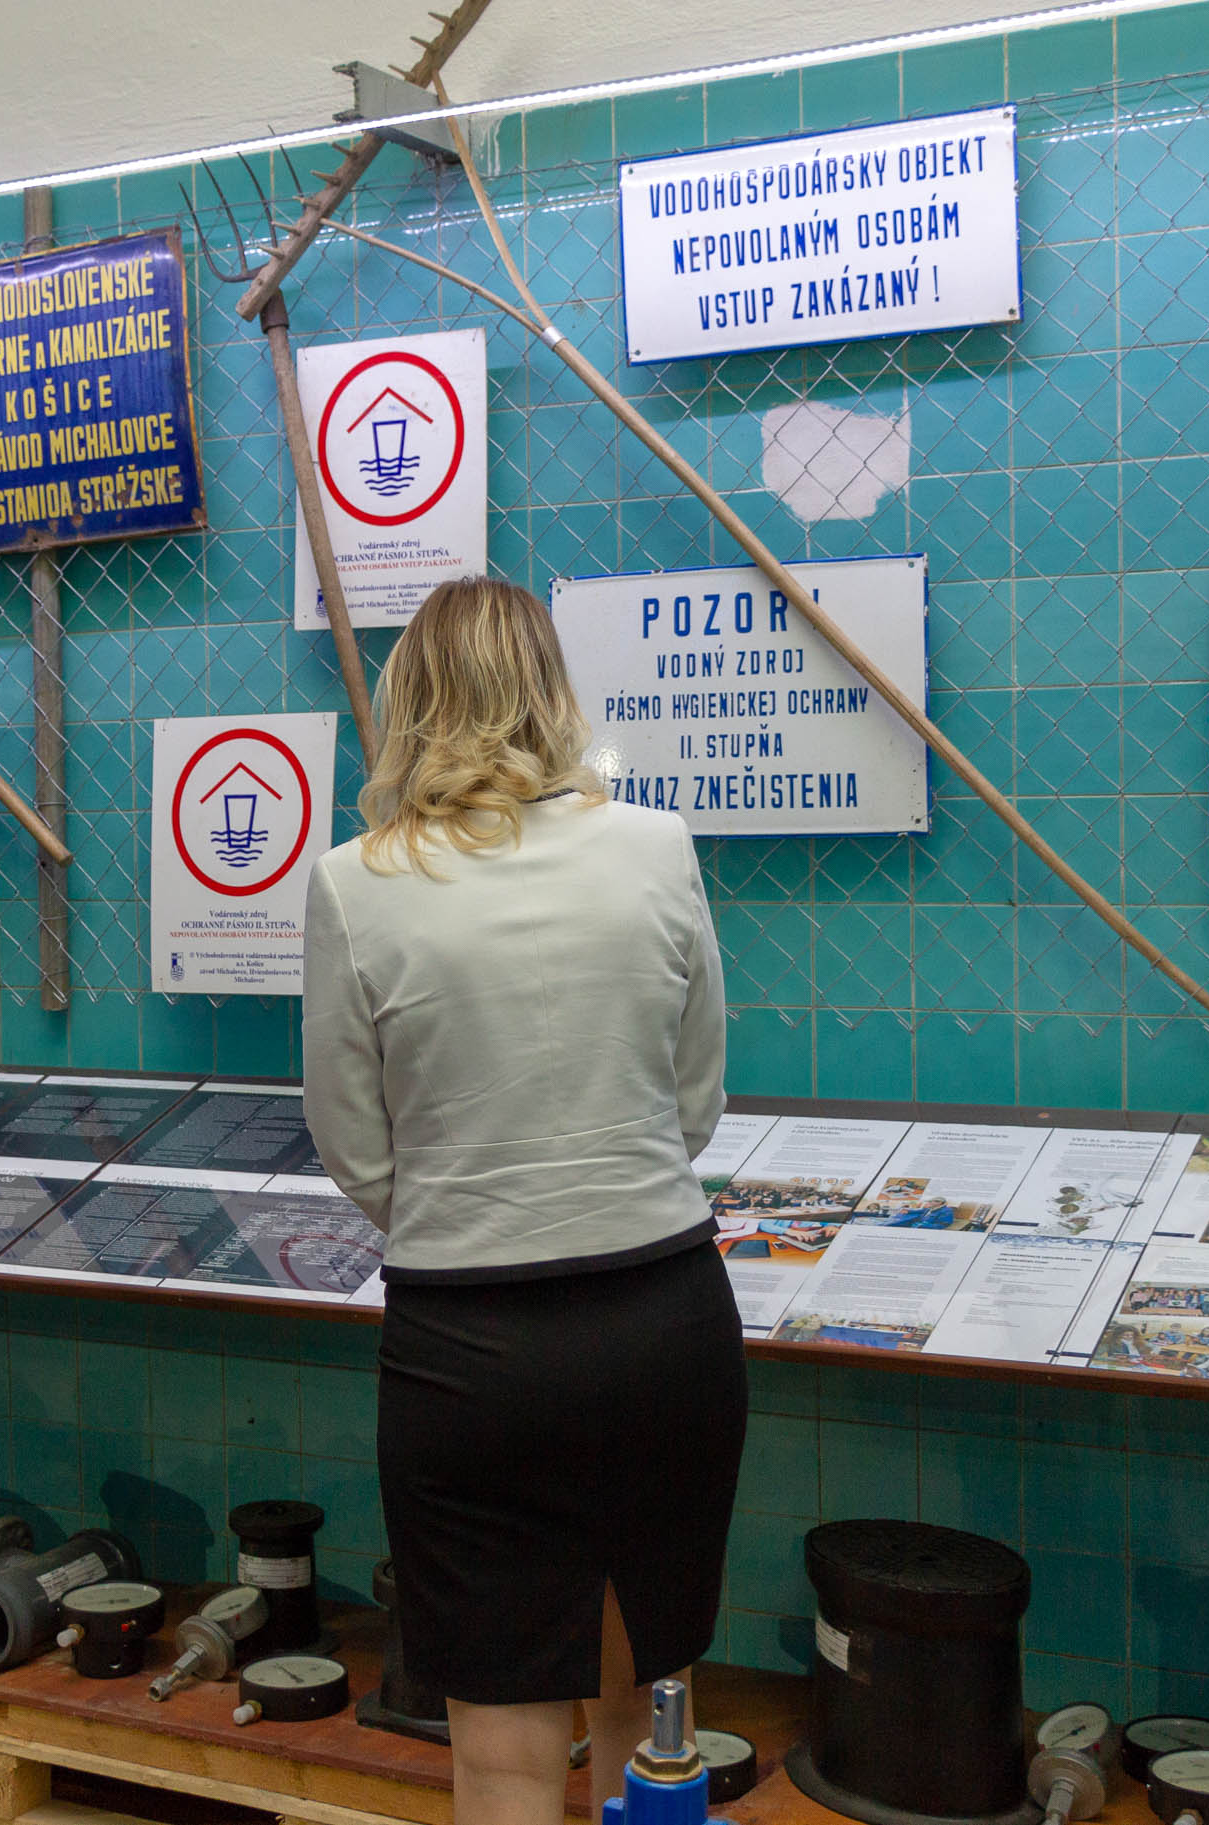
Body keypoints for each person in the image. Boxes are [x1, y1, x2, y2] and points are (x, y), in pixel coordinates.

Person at [302, 577, 741, 1825]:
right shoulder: (655, 847)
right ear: (551, 691)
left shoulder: (354, 881)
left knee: (500, 1744)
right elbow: (693, 1097)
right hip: (661, 1317)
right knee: (644, 1708)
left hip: (468, 1351)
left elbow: (354, 1144)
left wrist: (470, 1209)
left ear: (408, 700)